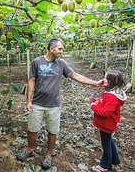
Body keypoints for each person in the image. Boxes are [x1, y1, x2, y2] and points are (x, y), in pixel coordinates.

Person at [16, 38, 104, 170]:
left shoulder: (61, 63)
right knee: (32, 128)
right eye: (60, 49)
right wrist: (28, 101)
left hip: (54, 104)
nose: (62, 51)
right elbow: (31, 81)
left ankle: (49, 154)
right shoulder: (37, 62)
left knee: (53, 130)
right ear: (52, 48)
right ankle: (30, 149)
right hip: (38, 103)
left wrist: (95, 83)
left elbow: (75, 75)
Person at [90, 70, 127, 172]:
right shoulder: (111, 92)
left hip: (107, 124)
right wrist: (97, 101)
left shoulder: (112, 97)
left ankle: (105, 165)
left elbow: (105, 112)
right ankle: (114, 159)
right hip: (107, 124)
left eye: (106, 79)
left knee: (106, 144)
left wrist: (93, 106)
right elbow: (103, 101)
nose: (103, 80)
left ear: (111, 82)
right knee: (109, 141)